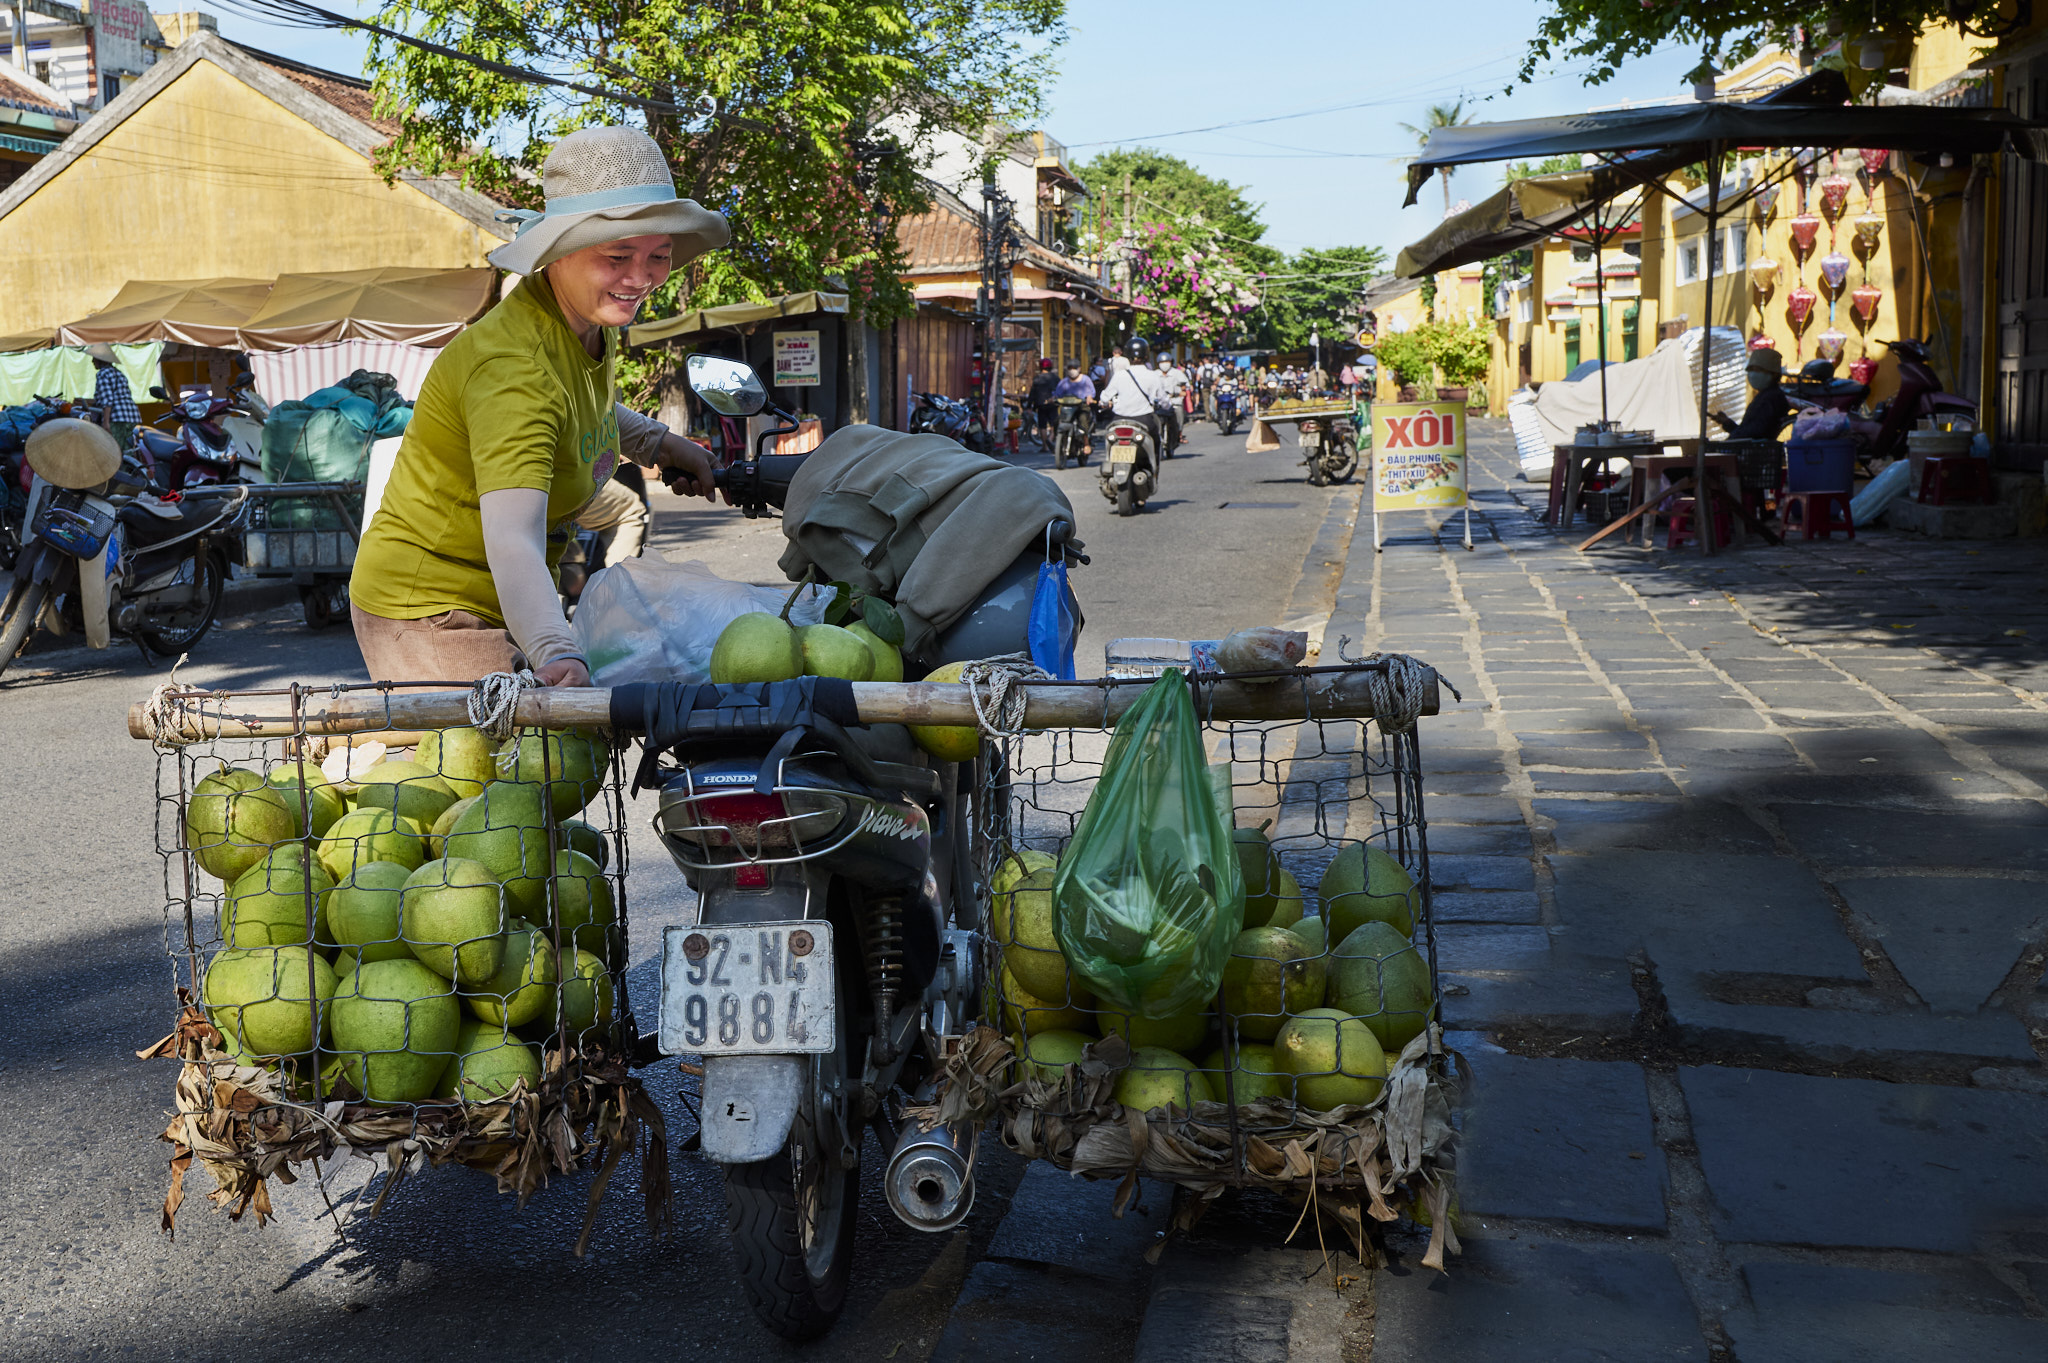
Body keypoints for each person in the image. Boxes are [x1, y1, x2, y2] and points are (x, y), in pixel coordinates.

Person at [349, 125, 730, 687]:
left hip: (511, 597)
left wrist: (659, 443)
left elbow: (579, 405)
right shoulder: (512, 366)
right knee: (522, 741)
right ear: (558, 253)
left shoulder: (585, 322)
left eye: (659, 256)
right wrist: (556, 649)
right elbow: (513, 538)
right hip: (431, 606)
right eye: (618, 255)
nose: (640, 277)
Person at [1712, 348, 1792, 441]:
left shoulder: (1772, 398)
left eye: (1757, 370)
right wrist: (1727, 423)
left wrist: (1730, 439)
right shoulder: (1765, 396)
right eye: (1750, 370)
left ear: (1773, 374)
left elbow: (1754, 434)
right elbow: (1749, 431)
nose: (1752, 374)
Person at [1097, 348, 1168, 451]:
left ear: (1128, 357)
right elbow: (1163, 399)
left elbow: (1105, 397)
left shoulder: (1119, 375)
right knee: (1156, 441)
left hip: (1120, 419)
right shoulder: (1153, 376)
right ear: (1146, 357)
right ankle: (1155, 461)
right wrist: (1167, 406)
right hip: (1144, 419)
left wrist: (1104, 403)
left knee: (1110, 440)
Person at [88, 343, 139, 453]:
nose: (92, 361)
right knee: (126, 451)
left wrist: (106, 422)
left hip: (116, 417)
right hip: (131, 416)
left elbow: (107, 400)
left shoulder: (103, 374)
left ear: (100, 360)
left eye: (94, 358)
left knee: (112, 451)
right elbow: (119, 395)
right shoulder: (119, 373)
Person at [1154, 353, 1190, 450]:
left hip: (1174, 400)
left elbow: (1185, 386)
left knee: (1178, 416)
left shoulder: (1177, 373)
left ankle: (1178, 434)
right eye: (1162, 362)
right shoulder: (1155, 374)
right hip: (1160, 402)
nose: (1164, 364)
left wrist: (1181, 391)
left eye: (1166, 361)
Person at [1026, 357, 1060, 448]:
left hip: (1040, 404)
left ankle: (1045, 446)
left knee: (1042, 425)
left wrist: (1029, 406)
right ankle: (1050, 439)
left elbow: (1032, 393)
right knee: (1053, 424)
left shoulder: (1037, 378)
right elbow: (1060, 390)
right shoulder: (1055, 378)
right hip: (1052, 403)